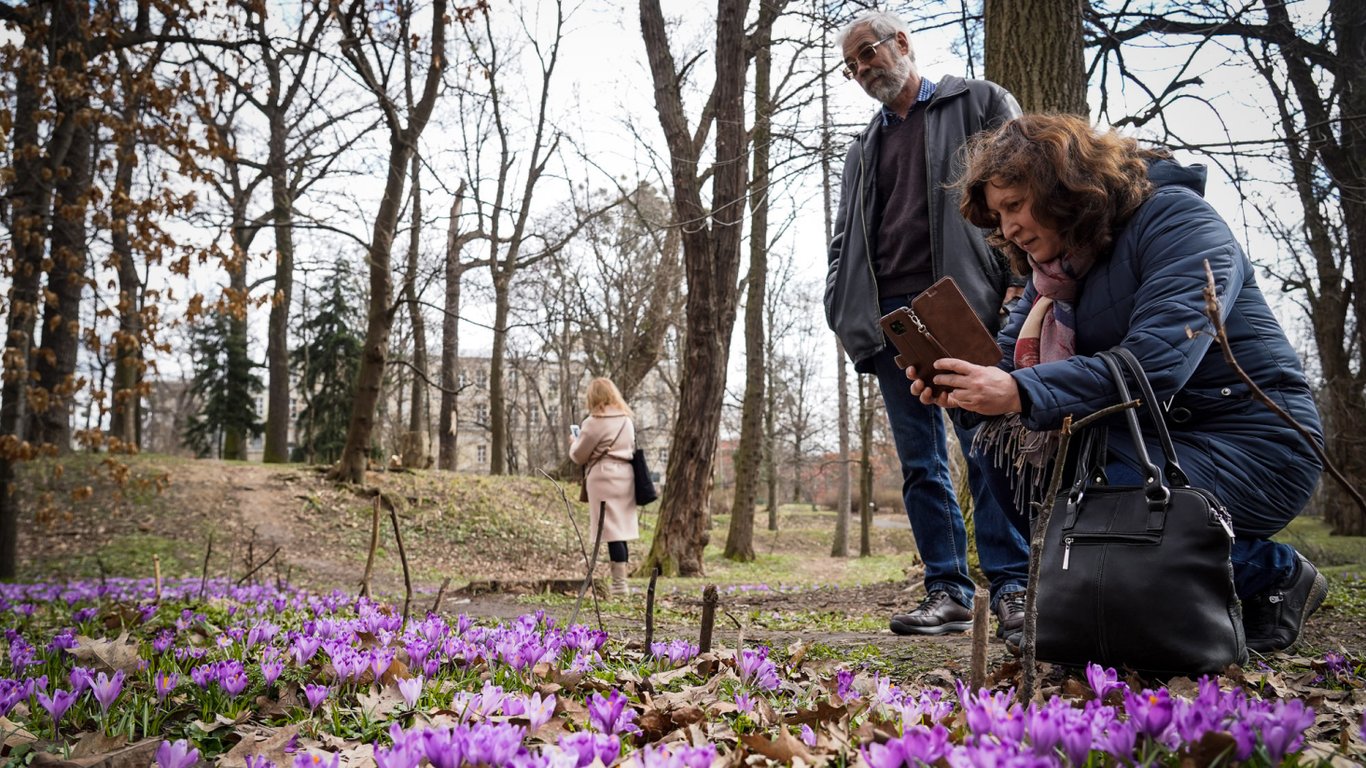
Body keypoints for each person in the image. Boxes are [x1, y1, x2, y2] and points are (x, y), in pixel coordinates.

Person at [912, 113, 1328, 653]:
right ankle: (1138, 584)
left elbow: (1160, 358)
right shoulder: (1051, 281)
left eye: (1014, 205)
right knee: (1004, 451)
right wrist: (963, 388)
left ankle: (1273, 572)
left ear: (1059, 184)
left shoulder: (1180, 222)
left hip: (1256, 443)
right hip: (1147, 444)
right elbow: (1011, 379)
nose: (1007, 227)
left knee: (1094, 519)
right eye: (998, 215)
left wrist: (1019, 392)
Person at [824, 10, 1031, 637]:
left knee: (987, 445)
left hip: (963, 307)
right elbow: (845, 241)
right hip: (893, 319)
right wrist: (845, 304)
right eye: (853, 65)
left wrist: (1018, 286)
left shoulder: (980, 102)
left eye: (869, 54)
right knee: (920, 460)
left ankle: (1016, 585)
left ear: (901, 44)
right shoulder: (864, 146)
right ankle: (947, 590)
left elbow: (1027, 189)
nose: (863, 70)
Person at [569, 377, 639, 598]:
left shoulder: (593, 422)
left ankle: (619, 585)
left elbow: (579, 456)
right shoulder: (626, 420)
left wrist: (573, 443)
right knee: (621, 532)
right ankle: (621, 581)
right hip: (626, 477)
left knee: (610, 531)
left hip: (603, 478)